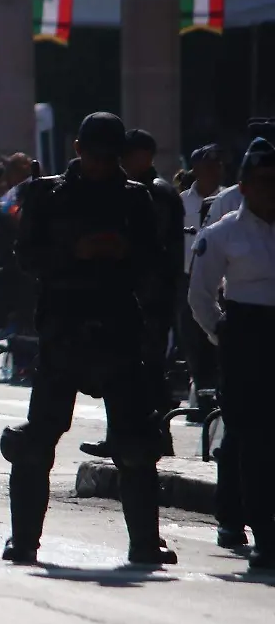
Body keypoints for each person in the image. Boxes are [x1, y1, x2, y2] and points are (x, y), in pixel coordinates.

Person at [2, 112, 175, 566]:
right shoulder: (49, 194)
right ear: (78, 148)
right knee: (37, 439)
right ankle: (23, 540)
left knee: (136, 442)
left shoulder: (136, 199)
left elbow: (154, 266)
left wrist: (123, 253)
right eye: (94, 155)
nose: (100, 166)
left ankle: (144, 542)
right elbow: (25, 257)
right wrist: (73, 252)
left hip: (118, 325)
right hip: (64, 325)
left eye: (109, 158)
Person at [188, 136, 275, 571]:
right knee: (250, 436)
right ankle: (261, 529)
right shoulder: (222, 233)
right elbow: (201, 294)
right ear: (243, 187)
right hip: (246, 334)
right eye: (262, 182)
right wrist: (222, 334)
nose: (269, 190)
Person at [81, 129, 184, 458]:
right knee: (119, 370)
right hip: (128, 295)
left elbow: (157, 251)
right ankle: (120, 435)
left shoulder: (156, 194)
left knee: (150, 369)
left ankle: (156, 435)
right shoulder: (122, 192)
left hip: (151, 297)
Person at [177, 144, 224, 421]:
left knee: (219, 343)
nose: (213, 172)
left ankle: (218, 401)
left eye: (217, 167)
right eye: (207, 167)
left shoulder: (230, 199)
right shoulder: (182, 202)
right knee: (192, 342)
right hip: (188, 279)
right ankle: (202, 400)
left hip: (223, 283)